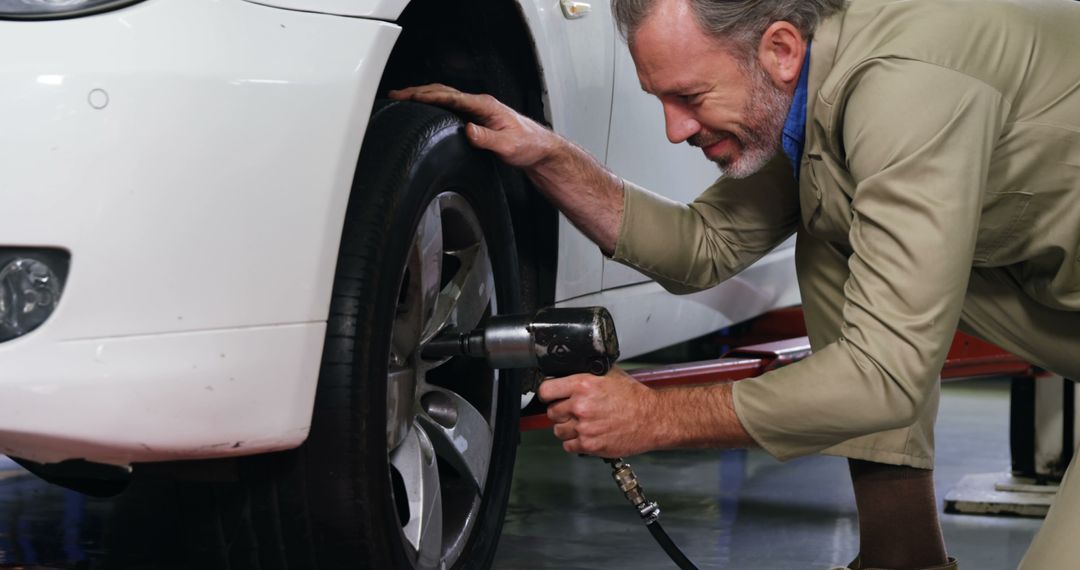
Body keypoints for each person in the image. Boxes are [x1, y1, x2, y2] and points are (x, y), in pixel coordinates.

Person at [391, 0, 1080, 567]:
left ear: (778, 49)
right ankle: (901, 559)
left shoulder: (903, 87)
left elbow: (884, 376)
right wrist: (550, 156)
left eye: (688, 97)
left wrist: (657, 418)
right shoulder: (811, 88)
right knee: (829, 223)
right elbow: (704, 247)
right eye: (660, 100)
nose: (673, 129)